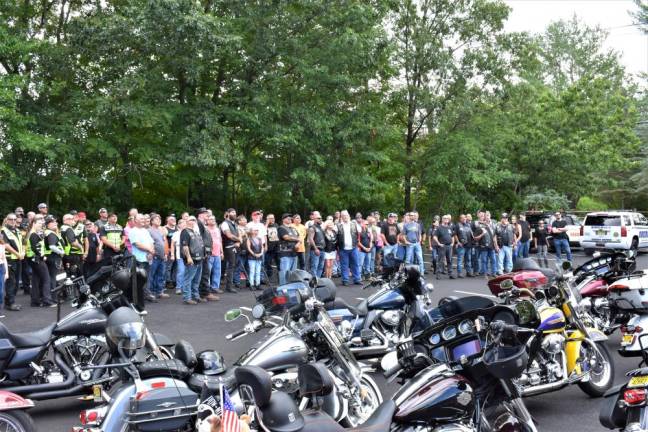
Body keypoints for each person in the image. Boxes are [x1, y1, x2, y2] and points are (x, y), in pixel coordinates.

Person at [128, 214, 157, 303]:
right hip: (139, 259)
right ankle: (139, 297)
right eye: (141, 219)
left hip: (147, 258)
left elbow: (151, 242)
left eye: (144, 219)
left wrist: (151, 252)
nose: (143, 220)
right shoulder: (133, 231)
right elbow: (137, 244)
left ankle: (146, 294)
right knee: (139, 279)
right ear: (135, 220)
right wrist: (150, 250)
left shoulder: (145, 230)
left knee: (147, 277)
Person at [26, 217, 54, 307]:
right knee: (46, 279)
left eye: (41, 224)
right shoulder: (33, 234)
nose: (40, 225)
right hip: (37, 259)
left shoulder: (32, 233)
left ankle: (35, 301)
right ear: (33, 223)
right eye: (38, 223)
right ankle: (47, 301)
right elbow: (35, 248)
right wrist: (42, 256)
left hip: (32, 259)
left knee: (35, 279)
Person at [180, 216, 205, 305]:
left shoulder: (195, 232)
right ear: (186, 221)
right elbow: (185, 246)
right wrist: (188, 257)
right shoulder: (185, 231)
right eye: (191, 219)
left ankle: (196, 296)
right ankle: (187, 298)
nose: (194, 221)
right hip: (191, 259)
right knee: (188, 279)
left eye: (194, 220)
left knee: (197, 280)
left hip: (199, 259)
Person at [1, 214, 23, 311]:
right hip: (10, 259)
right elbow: (6, 245)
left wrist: (22, 253)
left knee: (16, 282)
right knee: (11, 282)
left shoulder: (17, 230)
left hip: (18, 259)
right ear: (6, 220)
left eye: (15, 219)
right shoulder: (3, 231)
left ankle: (11, 301)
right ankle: (10, 303)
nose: (13, 221)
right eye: (11, 219)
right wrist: (18, 254)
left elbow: (22, 243)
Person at [196, 209, 217, 301]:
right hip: (202, 253)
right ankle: (202, 294)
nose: (207, 215)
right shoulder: (198, 224)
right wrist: (203, 252)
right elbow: (198, 239)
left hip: (206, 253)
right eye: (205, 214)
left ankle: (204, 293)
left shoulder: (202, 224)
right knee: (203, 273)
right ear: (200, 215)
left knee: (205, 273)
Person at [336, 210, 361, 286]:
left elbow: (360, 231)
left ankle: (357, 279)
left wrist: (358, 245)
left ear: (349, 216)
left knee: (356, 264)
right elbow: (334, 234)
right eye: (343, 216)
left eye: (346, 215)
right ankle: (345, 280)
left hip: (353, 247)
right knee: (344, 265)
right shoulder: (338, 225)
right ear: (341, 217)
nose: (345, 217)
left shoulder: (354, 224)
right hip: (343, 248)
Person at [148, 214, 168, 299]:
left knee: (161, 275)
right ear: (152, 221)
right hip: (154, 256)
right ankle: (151, 292)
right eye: (156, 219)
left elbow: (164, 243)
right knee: (152, 275)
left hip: (162, 256)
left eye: (159, 219)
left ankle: (159, 291)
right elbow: (149, 243)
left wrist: (165, 254)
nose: (159, 220)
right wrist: (151, 253)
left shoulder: (160, 231)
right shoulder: (149, 231)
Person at [44, 216, 65, 298]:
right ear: (47, 225)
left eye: (55, 222)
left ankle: (51, 296)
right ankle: (54, 297)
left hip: (49, 257)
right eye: (52, 222)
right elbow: (52, 246)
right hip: (53, 257)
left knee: (51, 277)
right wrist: (61, 252)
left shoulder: (48, 232)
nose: (55, 223)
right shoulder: (50, 233)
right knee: (53, 277)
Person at [220, 208, 241, 293]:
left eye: (235, 212)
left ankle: (230, 285)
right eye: (232, 212)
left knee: (233, 266)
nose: (234, 214)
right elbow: (229, 235)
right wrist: (239, 240)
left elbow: (238, 234)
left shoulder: (235, 224)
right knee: (231, 266)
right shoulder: (225, 223)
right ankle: (229, 286)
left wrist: (238, 242)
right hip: (228, 247)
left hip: (235, 246)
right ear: (228, 213)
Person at [277, 214, 299, 285]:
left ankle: (290, 287)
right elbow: (286, 237)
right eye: (287, 217)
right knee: (284, 271)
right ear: (283, 219)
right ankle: (283, 287)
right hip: (285, 253)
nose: (290, 218)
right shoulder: (281, 228)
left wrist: (298, 244)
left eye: (290, 218)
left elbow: (299, 238)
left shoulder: (293, 229)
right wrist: (296, 239)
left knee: (293, 272)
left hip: (294, 253)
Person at [473, 211, 497, 277]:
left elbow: (494, 236)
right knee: (484, 260)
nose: (487, 217)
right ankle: (485, 273)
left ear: (490, 216)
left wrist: (496, 246)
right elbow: (475, 238)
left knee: (493, 260)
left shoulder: (493, 225)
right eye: (486, 215)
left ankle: (494, 273)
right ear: (484, 217)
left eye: (488, 215)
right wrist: (482, 234)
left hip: (491, 246)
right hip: (483, 246)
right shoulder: (480, 225)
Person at [433, 215, 455, 279]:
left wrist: (452, 243)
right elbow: (434, 236)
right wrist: (439, 243)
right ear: (442, 220)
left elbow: (452, 236)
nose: (446, 219)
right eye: (444, 218)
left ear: (448, 220)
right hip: (442, 246)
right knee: (441, 260)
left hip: (449, 246)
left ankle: (450, 273)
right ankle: (438, 274)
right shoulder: (439, 228)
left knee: (450, 260)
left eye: (447, 219)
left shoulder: (450, 227)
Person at [206, 215, 223, 296]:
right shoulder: (205, 229)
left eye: (213, 219)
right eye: (211, 219)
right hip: (209, 254)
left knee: (217, 271)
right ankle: (207, 288)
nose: (213, 220)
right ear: (207, 221)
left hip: (217, 253)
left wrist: (221, 252)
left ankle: (215, 287)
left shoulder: (217, 229)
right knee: (208, 272)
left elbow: (219, 241)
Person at [307, 211, 326, 277]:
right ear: (314, 219)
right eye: (318, 218)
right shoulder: (312, 228)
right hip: (316, 250)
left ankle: (318, 281)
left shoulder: (320, 228)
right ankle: (313, 282)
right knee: (314, 267)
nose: (320, 219)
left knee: (321, 267)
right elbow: (310, 239)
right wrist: (315, 249)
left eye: (321, 218)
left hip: (322, 249)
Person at [171, 219, 187, 295]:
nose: (184, 224)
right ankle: (179, 287)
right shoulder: (176, 234)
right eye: (182, 223)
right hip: (179, 255)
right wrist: (172, 254)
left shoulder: (188, 232)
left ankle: (185, 287)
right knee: (181, 271)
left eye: (185, 223)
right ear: (179, 225)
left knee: (187, 272)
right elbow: (172, 245)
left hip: (188, 256)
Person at [246, 226, 264, 291]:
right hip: (252, 257)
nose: (256, 231)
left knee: (258, 271)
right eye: (255, 230)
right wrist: (254, 254)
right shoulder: (249, 239)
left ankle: (258, 284)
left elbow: (262, 247)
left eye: (257, 230)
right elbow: (249, 248)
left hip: (259, 256)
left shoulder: (259, 238)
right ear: (251, 231)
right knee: (252, 271)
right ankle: (252, 284)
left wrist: (261, 253)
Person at [264, 214, 280, 283]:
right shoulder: (264, 225)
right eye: (270, 218)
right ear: (267, 219)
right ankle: (269, 279)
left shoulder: (276, 225)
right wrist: (267, 224)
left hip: (277, 247)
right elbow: (263, 232)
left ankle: (280, 278)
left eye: (273, 218)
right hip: (269, 248)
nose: (272, 219)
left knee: (279, 263)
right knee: (268, 264)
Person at [164, 215, 177, 289]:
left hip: (177, 250)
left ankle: (174, 280)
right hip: (168, 250)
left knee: (175, 266)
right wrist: (167, 248)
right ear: (167, 221)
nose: (173, 220)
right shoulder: (165, 228)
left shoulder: (177, 229)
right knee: (168, 267)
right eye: (171, 219)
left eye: (174, 219)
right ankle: (168, 281)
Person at [0, 236, 7, 310]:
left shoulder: (2, 246)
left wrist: (6, 272)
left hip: (1, 267)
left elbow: (4, 259)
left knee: (1, 291)